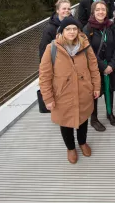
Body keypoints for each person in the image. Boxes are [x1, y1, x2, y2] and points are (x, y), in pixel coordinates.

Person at [39, 17, 100, 164]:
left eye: (74, 29)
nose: (72, 32)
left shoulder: (85, 46)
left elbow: (93, 67)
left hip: (83, 91)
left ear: (78, 31)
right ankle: (70, 148)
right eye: (68, 29)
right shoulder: (52, 48)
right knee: (65, 123)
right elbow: (44, 75)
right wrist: (48, 98)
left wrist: (96, 87)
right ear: (62, 31)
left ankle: (82, 142)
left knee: (83, 119)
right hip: (62, 94)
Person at [83, 0, 115, 129]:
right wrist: (103, 66)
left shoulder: (111, 26)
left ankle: (109, 113)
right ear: (93, 12)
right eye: (98, 9)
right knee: (94, 93)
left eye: (103, 9)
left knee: (109, 90)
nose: (101, 12)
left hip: (110, 65)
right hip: (95, 67)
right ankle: (93, 119)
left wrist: (111, 65)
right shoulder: (88, 28)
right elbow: (88, 51)